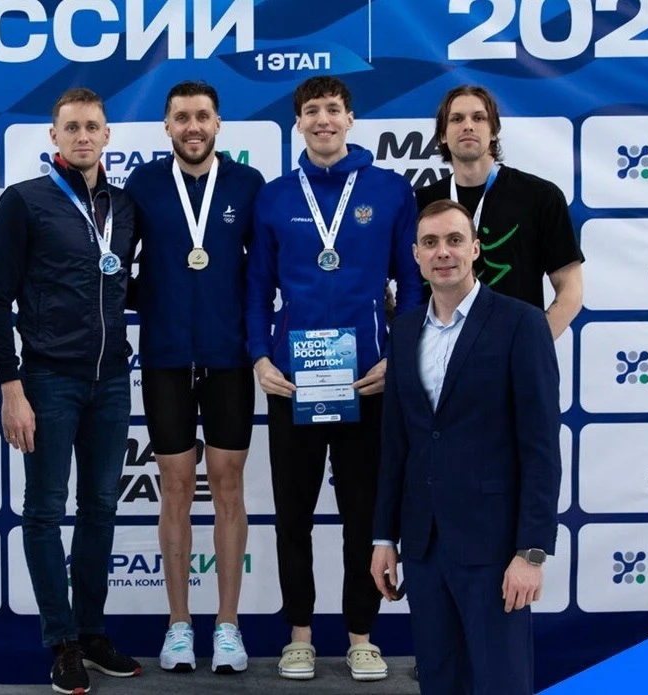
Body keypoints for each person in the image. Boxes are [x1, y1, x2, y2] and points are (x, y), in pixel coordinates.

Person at [245, 75, 422, 682]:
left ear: (350, 119)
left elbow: (413, 285)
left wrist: (398, 356)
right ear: (298, 123)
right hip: (293, 383)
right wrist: (260, 358)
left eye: (333, 109)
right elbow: (256, 288)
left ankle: (361, 637)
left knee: (364, 517)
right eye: (312, 110)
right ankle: (299, 635)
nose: (323, 119)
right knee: (292, 516)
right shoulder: (274, 197)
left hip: (367, 381)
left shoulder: (390, 191)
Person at [0, 88, 140, 694]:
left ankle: (93, 633)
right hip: (47, 379)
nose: (82, 136)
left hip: (112, 379)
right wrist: (11, 384)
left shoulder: (123, 207)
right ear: (54, 136)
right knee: (45, 510)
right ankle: (62, 641)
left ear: (107, 135)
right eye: (71, 127)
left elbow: (124, 285)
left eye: (92, 126)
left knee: (100, 508)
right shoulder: (24, 202)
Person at [371, 200, 562, 695]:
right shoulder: (404, 330)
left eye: (455, 240)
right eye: (430, 243)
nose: (443, 252)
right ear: (415, 255)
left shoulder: (521, 324)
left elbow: (541, 447)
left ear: (475, 249)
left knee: (501, 682)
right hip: (424, 546)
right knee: (440, 681)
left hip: (495, 548)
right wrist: (384, 537)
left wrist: (531, 552)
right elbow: (396, 445)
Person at [123, 80, 265, 674]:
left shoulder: (247, 184)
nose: (193, 127)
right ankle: (179, 625)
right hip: (165, 358)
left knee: (229, 487)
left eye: (202, 116)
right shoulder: (143, 185)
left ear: (218, 122)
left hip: (229, 357)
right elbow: (114, 265)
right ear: (166, 125)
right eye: (181, 117)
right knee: (176, 489)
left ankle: (227, 625)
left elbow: (267, 271)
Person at [415, 84, 583, 340]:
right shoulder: (422, 202)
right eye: (457, 119)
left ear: (494, 131)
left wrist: (532, 346)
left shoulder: (540, 196)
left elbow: (571, 289)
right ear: (442, 136)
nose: (468, 126)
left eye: (479, 118)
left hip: (514, 350)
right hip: (440, 352)